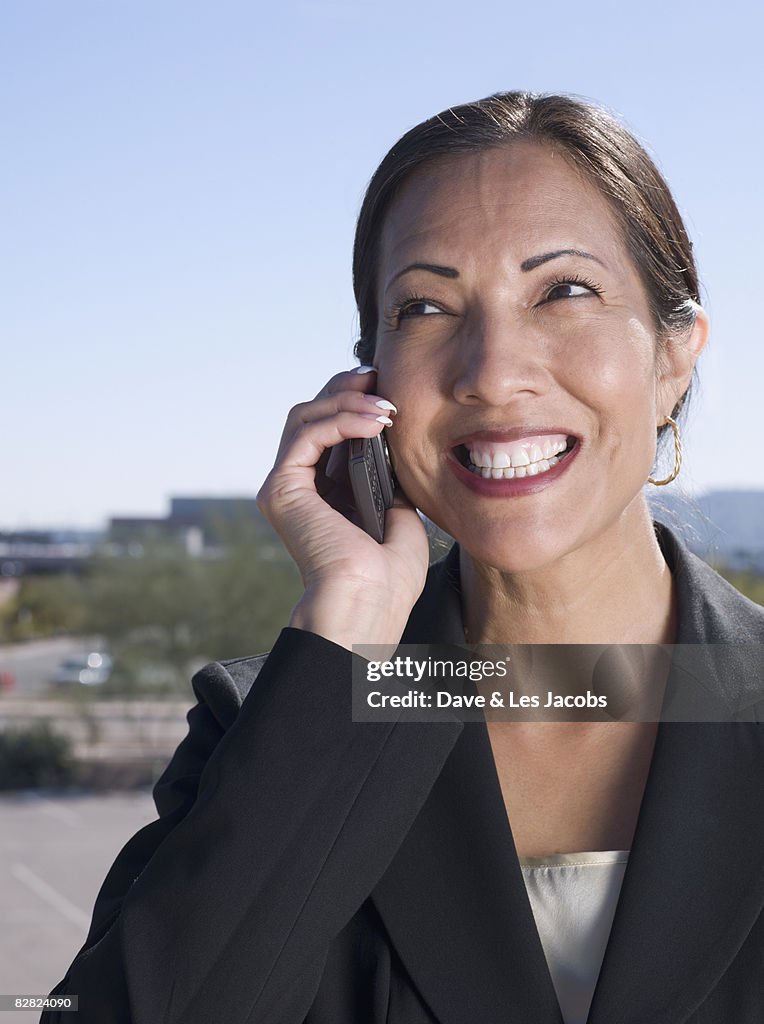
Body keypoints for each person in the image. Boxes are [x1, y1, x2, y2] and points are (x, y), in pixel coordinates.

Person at [42, 91, 764, 1024]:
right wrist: (349, 641)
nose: (492, 371)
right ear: (368, 385)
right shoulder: (272, 729)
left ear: (675, 359)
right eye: (425, 306)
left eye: (564, 291)